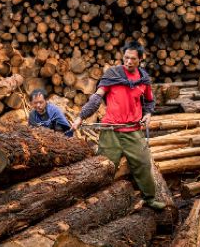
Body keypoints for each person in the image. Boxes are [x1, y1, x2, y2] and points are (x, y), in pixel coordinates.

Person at [71, 41, 165, 210]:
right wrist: (80, 117)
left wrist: (148, 114)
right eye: (126, 58)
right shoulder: (112, 74)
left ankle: (149, 199)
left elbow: (150, 101)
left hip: (133, 131)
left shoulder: (144, 79)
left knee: (144, 163)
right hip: (110, 131)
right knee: (104, 168)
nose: (128, 61)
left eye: (133, 59)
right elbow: (96, 98)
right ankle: (93, 203)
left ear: (140, 59)